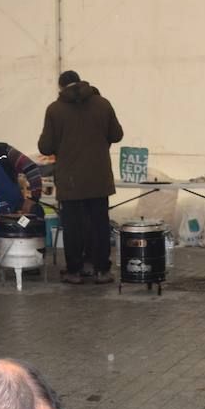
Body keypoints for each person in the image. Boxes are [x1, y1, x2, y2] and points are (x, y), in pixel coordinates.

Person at [38, 70, 123, 285]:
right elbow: (117, 134)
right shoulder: (102, 104)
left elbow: (45, 146)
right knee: (99, 224)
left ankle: (74, 271)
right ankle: (102, 270)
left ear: (61, 87)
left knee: (73, 227)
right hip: (99, 177)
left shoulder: (55, 110)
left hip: (70, 179)